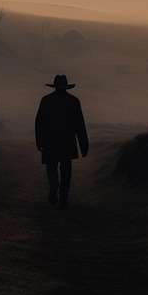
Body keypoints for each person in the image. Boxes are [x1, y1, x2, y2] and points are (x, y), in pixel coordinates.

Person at [35, 75, 89, 209]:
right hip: (67, 142)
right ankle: (63, 198)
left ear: (54, 86)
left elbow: (39, 123)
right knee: (66, 170)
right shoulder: (74, 101)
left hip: (49, 141)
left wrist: (39, 141)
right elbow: (79, 125)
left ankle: (53, 181)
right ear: (66, 87)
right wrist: (84, 145)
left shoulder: (46, 100)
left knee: (51, 165)